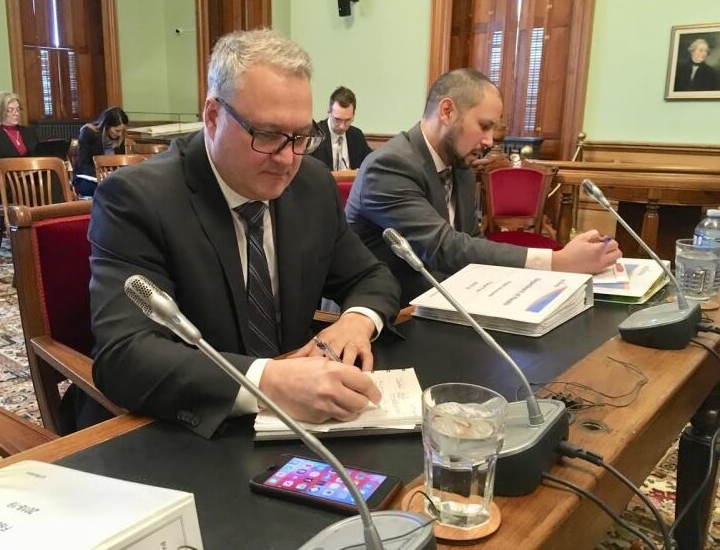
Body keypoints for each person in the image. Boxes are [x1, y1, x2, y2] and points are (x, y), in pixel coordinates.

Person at [84, 29, 400, 438]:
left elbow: (371, 276)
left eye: (301, 136)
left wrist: (355, 322)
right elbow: (125, 354)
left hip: (296, 425)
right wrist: (267, 382)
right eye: (267, 135)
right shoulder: (136, 199)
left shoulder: (311, 185)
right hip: (184, 432)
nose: (288, 159)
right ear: (213, 116)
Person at [345, 68, 622, 305]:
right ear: (447, 111)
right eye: (484, 126)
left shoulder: (461, 165)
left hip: (442, 301)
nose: (490, 141)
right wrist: (557, 261)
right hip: (386, 314)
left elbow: (473, 241)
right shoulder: (391, 165)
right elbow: (443, 248)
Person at [312, 86, 373, 170]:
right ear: (329, 112)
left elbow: (370, 161)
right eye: (337, 119)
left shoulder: (357, 135)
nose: (342, 126)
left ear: (353, 115)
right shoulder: (315, 134)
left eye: (348, 120)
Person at [74, 107, 129, 196]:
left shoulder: (120, 137)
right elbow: (83, 164)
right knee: (108, 191)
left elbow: (120, 163)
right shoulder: (88, 132)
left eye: (122, 131)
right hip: (88, 178)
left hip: (111, 178)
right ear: (106, 125)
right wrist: (102, 175)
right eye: (117, 130)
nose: (119, 134)